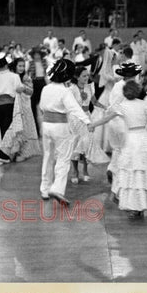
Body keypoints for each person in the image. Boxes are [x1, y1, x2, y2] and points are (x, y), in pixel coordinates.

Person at [89, 80, 147, 219]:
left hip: (130, 139)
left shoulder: (123, 105)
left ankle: (132, 203)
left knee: (130, 170)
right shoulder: (144, 103)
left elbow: (107, 117)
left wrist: (93, 124)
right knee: (143, 171)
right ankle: (141, 205)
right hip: (143, 139)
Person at [39, 59, 92, 205]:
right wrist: (88, 122)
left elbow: (42, 107)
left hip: (46, 125)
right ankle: (57, 189)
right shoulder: (65, 91)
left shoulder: (46, 88)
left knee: (48, 157)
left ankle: (45, 189)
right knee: (63, 158)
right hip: (60, 126)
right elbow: (74, 109)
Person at [69, 66, 109, 184]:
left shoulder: (90, 87)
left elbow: (94, 102)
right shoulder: (71, 89)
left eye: (87, 75)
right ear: (77, 77)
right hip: (75, 119)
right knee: (76, 144)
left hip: (87, 117)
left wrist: (106, 107)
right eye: (84, 76)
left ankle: (85, 171)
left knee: (86, 143)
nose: (87, 78)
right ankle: (75, 171)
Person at [0, 58, 42, 163]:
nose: (22, 68)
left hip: (25, 107)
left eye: (23, 66)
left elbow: (31, 92)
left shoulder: (26, 77)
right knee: (14, 130)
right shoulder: (11, 76)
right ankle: (11, 152)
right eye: (20, 66)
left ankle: (23, 152)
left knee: (25, 129)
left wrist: (23, 88)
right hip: (12, 107)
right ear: (15, 66)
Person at [0, 52, 24, 164]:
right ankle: (4, 154)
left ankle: (7, 153)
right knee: (10, 130)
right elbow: (19, 89)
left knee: (3, 128)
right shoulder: (14, 76)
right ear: (6, 64)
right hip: (10, 104)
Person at [27, 47, 49, 137]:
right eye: (35, 54)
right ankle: (36, 130)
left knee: (45, 107)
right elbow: (27, 73)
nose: (37, 56)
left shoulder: (44, 62)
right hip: (34, 83)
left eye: (38, 54)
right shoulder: (30, 63)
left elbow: (48, 72)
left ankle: (47, 129)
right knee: (33, 108)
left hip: (43, 82)